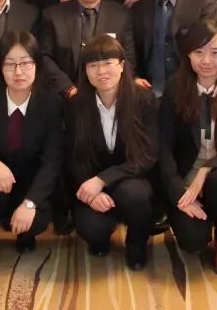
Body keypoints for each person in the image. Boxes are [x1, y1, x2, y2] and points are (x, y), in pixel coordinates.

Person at [159, 20, 217, 275]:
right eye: (198, 52)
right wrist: (178, 190)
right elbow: (163, 146)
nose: (206, 60)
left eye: (215, 52)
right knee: (193, 241)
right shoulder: (174, 88)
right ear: (188, 54)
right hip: (186, 178)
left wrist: (208, 168)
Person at [0, 32, 63, 273]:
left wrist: (30, 202)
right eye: (10, 64)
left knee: (37, 219)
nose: (18, 72)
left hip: (31, 183)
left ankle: (26, 234)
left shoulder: (51, 103)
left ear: (37, 65)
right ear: (0, 66)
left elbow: (52, 161)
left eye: (26, 63)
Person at [65, 35, 158, 270]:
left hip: (132, 177)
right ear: (85, 71)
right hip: (91, 182)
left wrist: (103, 179)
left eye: (108, 63)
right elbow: (72, 157)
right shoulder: (76, 105)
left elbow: (147, 155)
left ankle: (137, 242)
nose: (101, 71)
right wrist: (91, 192)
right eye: (93, 65)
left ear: (122, 65)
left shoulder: (143, 99)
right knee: (91, 229)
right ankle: (103, 235)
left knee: (135, 196)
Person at [39, 0, 135, 97]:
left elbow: (128, 57)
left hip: (110, 95)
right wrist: (67, 88)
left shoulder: (120, 15)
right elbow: (44, 58)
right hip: (65, 96)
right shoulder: (52, 16)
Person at [132, 0, 217, 98]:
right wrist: (133, 78)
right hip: (148, 91)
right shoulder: (139, 8)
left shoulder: (204, 2)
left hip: (191, 90)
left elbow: (212, 48)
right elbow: (131, 49)